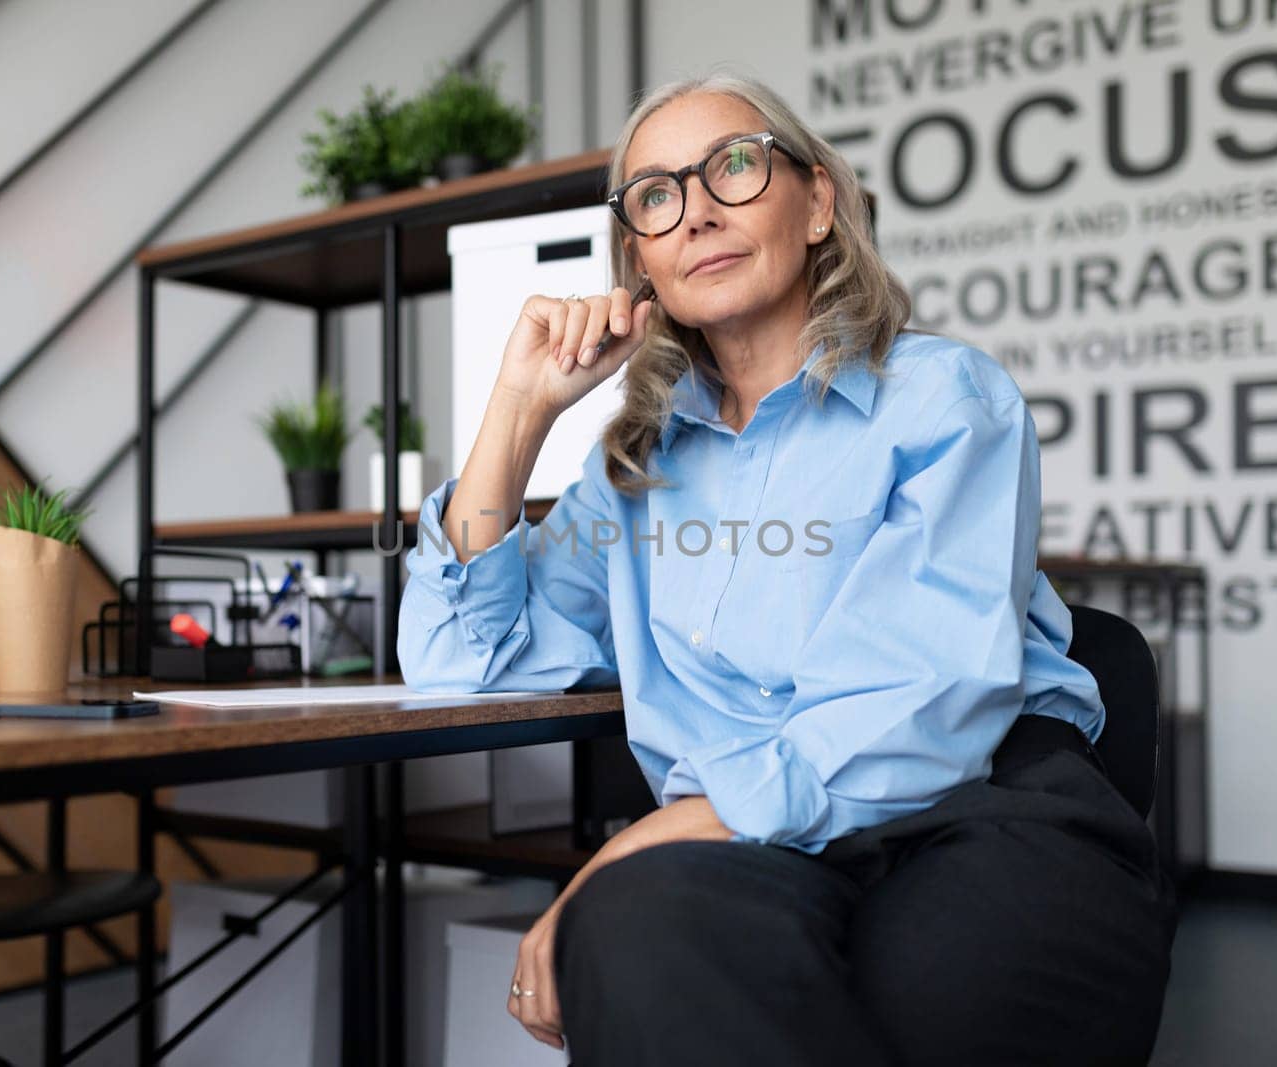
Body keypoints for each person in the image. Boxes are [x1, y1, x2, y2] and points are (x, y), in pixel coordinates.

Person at [398, 71, 1175, 1066]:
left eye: (733, 166)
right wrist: (518, 411)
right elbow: (457, 661)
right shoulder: (630, 469)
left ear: (818, 202)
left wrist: (658, 828)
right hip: (747, 847)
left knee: (938, 984)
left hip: (976, 799)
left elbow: (923, 696)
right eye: (655, 195)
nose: (697, 213)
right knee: (638, 935)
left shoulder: (944, 397)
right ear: (638, 257)